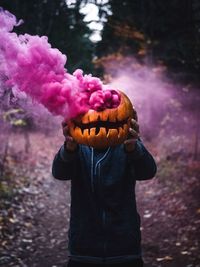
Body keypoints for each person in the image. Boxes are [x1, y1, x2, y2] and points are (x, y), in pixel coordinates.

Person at [52, 118, 157, 267]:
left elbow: (147, 172)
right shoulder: (78, 145)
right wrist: (69, 148)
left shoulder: (126, 142)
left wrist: (134, 148)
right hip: (83, 250)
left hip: (125, 250)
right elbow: (60, 173)